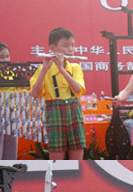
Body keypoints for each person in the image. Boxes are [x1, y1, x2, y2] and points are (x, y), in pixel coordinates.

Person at [29, 27, 86, 160]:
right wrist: (44, 70)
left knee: (77, 148)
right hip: (54, 110)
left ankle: (76, 174)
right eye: (66, 46)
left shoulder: (75, 68)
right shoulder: (44, 69)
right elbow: (35, 94)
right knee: (56, 151)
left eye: (72, 45)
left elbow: (78, 90)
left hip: (74, 109)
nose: (70, 49)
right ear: (53, 48)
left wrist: (62, 69)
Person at [0, 42, 18, 159]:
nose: (6, 60)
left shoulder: (11, 74)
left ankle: (10, 169)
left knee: (11, 148)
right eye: (2, 57)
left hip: (10, 115)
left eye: (7, 56)